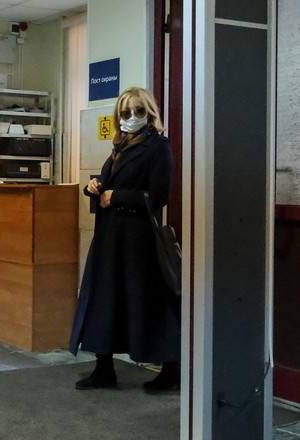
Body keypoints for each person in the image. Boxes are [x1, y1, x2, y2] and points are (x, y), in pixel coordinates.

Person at [68, 87, 181, 391]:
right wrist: (95, 186)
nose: (132, 117)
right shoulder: (121, 144)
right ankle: (104, 368)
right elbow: (113, 182)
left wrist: (116, 196)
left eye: (138, 111)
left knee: (146, 301)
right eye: (126, 112)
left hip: (137, 240)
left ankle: (171, 369)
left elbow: (158, 196)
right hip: (110, 237)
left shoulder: (157, 146)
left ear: (150, 113)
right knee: (105, 300)